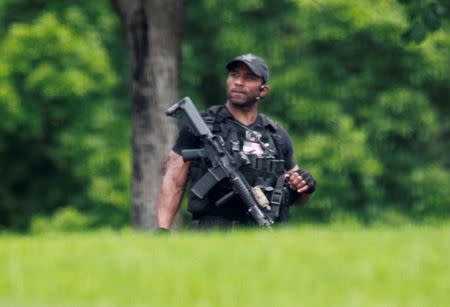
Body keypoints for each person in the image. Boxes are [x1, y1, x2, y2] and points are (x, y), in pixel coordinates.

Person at [156, 54, 316, 230]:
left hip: (262, 232)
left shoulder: (276, 135)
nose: (239, 82)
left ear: (263, 90)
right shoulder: (203, 126)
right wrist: (163, 229)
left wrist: (305, 184)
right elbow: (173, 181)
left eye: (249, 78)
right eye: (234, 75)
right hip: (211, 233)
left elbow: (299, 197)